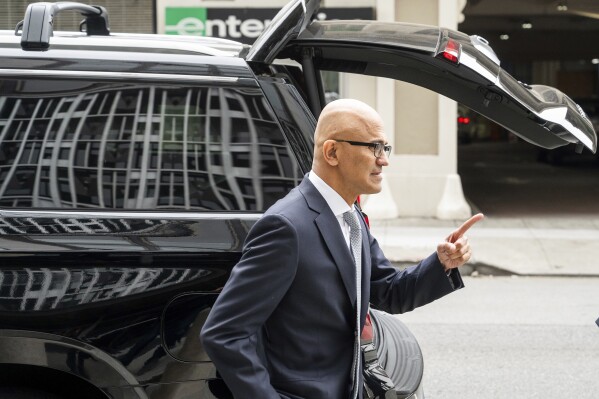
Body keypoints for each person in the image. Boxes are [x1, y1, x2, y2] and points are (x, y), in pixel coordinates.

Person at [200, 99, 484, 399]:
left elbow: (388, 291)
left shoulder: (351, 216)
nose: (383, 159)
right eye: (373, 146)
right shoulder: (286, 228)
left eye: (385, 148)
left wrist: (441, 263)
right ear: (332, 152)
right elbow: (224, 334)